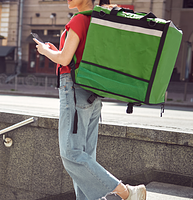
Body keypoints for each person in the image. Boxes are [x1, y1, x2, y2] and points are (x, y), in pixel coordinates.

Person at [33, 0, 146, 199]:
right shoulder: (99, 19)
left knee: (72, 154)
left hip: (75, 91)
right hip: (93, 93)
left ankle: (126, 192)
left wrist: (45, 51)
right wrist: (55, 49)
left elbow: (64, 60)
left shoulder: (79, 20)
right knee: (85, 155)